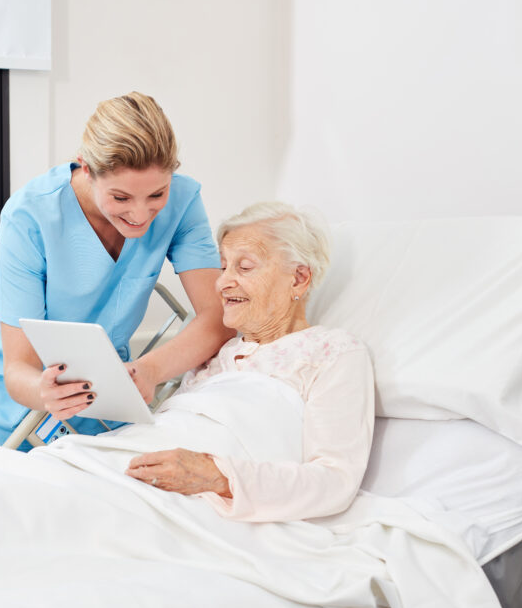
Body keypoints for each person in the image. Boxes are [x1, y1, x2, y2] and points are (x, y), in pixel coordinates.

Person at [0, 92, 233, 446]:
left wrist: (151, 369)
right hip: (4, 417)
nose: (141, 215)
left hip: (103, 414)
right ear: (86, 168)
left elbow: (217, 317)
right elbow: (16, 369)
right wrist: (45, 393)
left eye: (157, 195)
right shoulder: (30, 217)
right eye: (121, 198)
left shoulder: (183, 202)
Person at [125, 201, 376, 522]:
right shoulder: (215, 355)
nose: (222, 282)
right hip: (134, 466)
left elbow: (334, 481)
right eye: (224, 266)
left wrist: (219, 476)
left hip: (201, 504)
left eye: (244, 268)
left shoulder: (333, 353)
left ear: (298, 278)